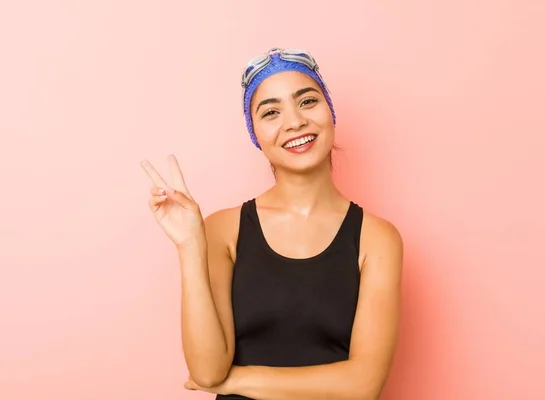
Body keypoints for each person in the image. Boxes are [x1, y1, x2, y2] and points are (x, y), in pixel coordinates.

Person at [140, 48, 403, 399]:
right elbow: (207, 370)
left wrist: (237, 382)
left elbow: (363, 385)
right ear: (255, 134)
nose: (294, 122)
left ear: (330, 112)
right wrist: (189, 245)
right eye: (271, 112)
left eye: (307, 102)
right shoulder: (224, 229)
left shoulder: (377, 238)